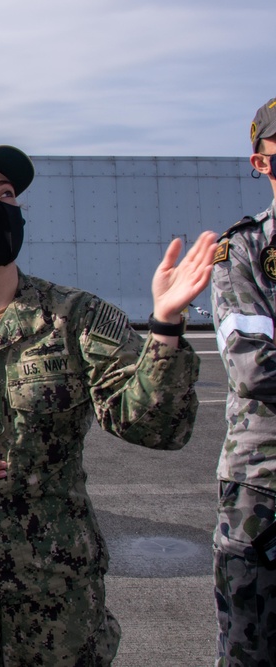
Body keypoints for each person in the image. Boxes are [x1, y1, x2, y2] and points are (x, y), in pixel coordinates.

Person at [0, 145, 217, 665]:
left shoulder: (77, 318)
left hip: (55, 603)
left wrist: (165, 328)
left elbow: (156, 426)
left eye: (7, 195)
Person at [211, 97, 276, 665]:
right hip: (265, 489)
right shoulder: (245, 249)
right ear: (261, 162)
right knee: (250, 652)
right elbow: (254, 366)